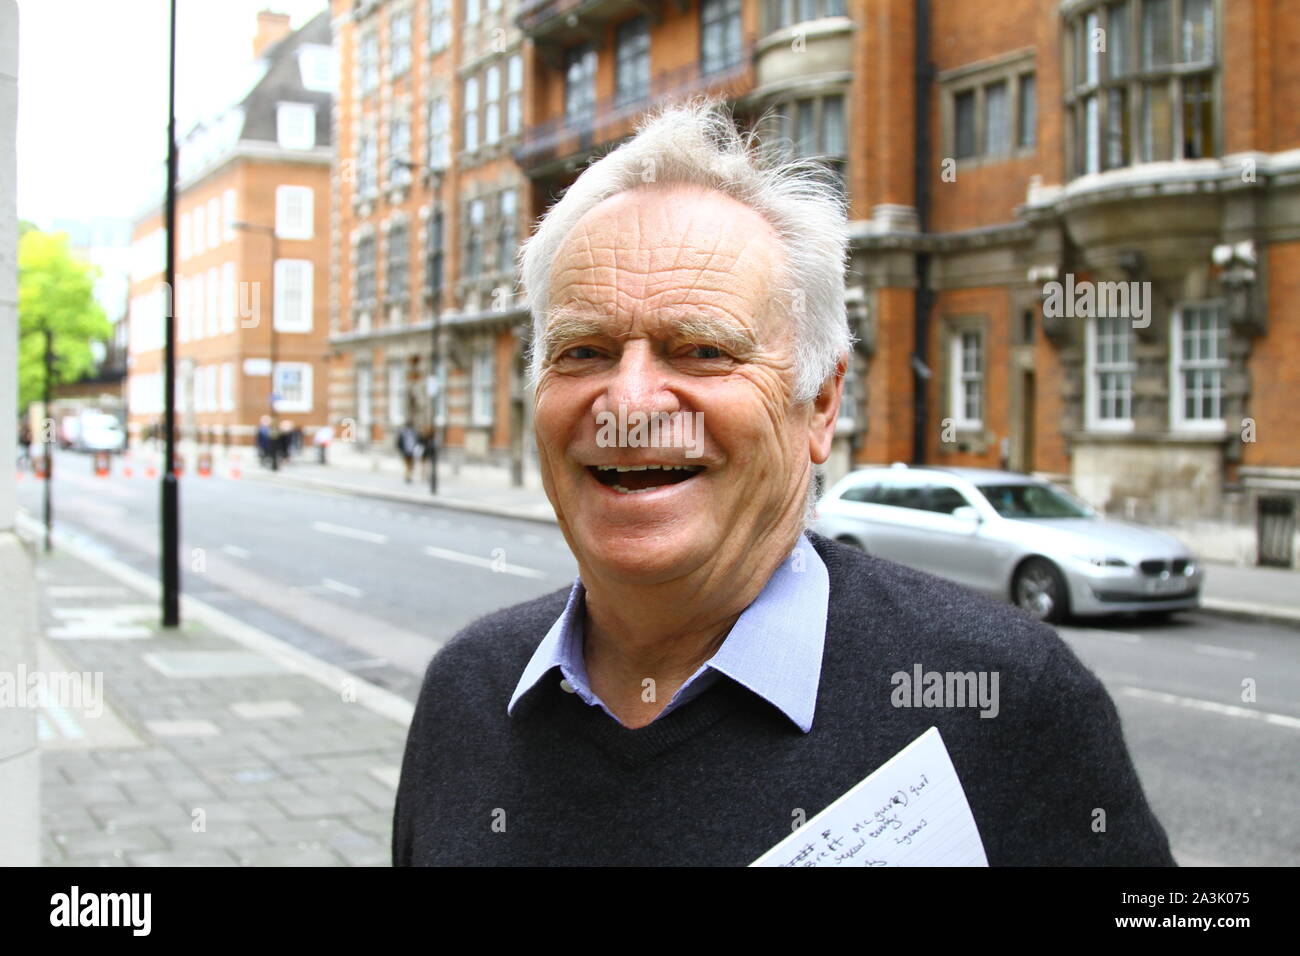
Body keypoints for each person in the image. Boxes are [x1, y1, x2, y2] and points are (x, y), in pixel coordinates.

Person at [392, 98, 1175, 866]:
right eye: (583, 351)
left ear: (820, 404)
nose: (629, 404)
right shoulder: (467, 689)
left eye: (701, 349)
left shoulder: (1009, 695)